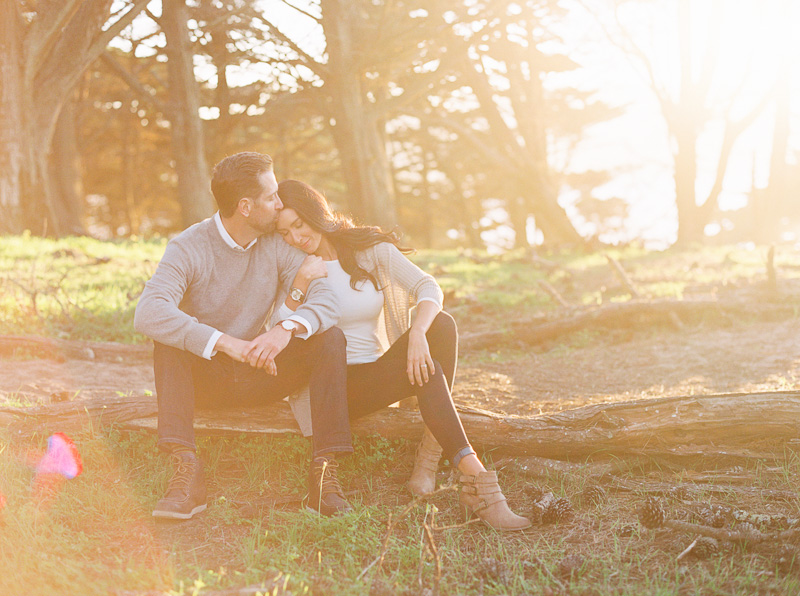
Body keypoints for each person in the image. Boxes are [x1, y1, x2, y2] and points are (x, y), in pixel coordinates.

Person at [271, 179, 530, 531]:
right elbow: (278, 332)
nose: (295, 237)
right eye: (284, 232)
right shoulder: (292, 264)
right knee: (432, 368)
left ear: (316, 212)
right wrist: (300, 283)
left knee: (442, 326)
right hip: (328, 390)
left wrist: (418, 334)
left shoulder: (367, 250)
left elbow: (428, 286)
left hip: (374, 374)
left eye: (298, 225)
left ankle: (431, 454)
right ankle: (479, 483)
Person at [134, 153, 355, 520]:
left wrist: (284, 330)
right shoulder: (189, 246)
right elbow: (149, 311)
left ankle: (324, 475)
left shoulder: (277, 245)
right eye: (272, 197)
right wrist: (224, 342)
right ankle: (185, 471)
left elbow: (327, 301)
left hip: (263, 372)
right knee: (168, 340)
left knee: (330, 338)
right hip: (207, 378)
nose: (280, 203)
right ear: (246, 206)